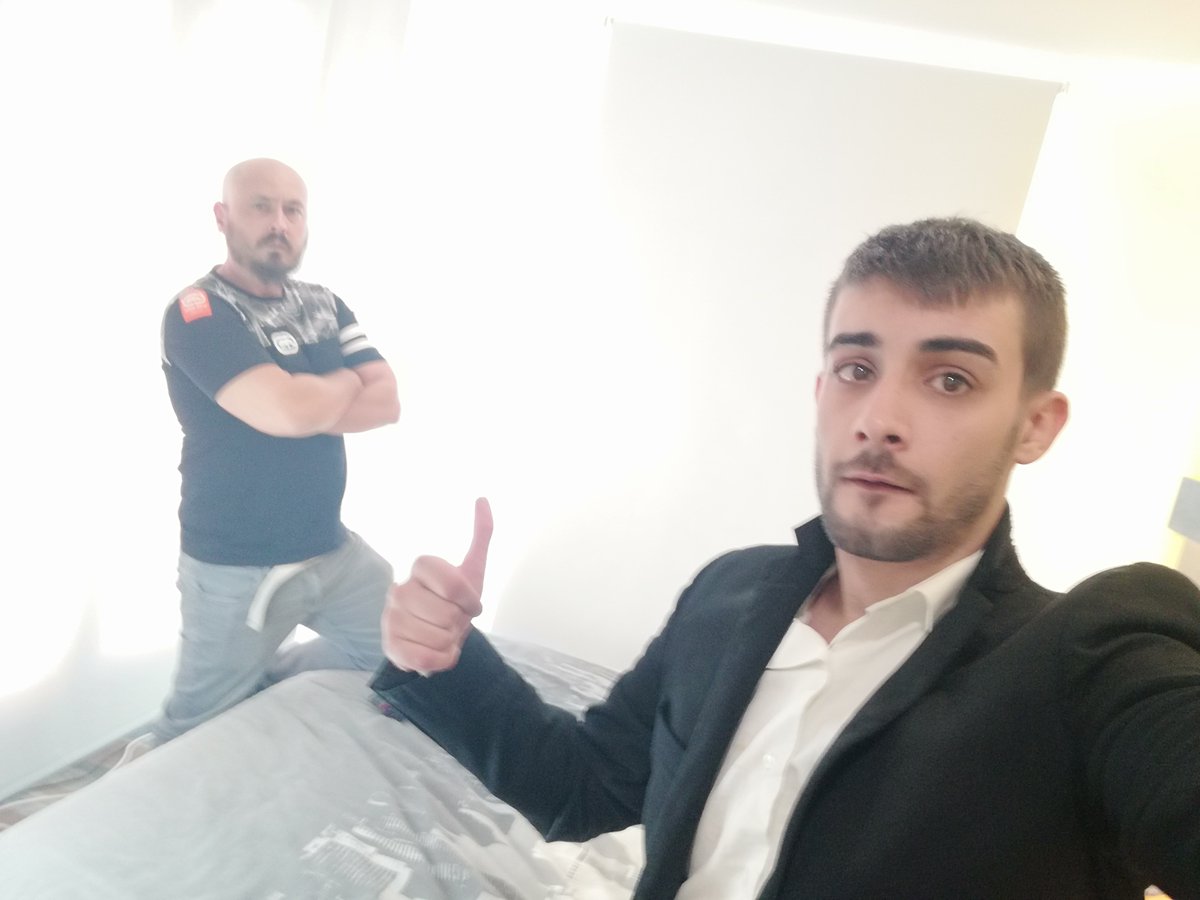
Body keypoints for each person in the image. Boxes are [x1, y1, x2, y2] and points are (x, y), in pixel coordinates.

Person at [371, 217, 1200, 899]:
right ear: (821, 392)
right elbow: (587, 790)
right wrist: (447, 659)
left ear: (1035, 426)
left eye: (950, 379)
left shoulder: (1088, 659)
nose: (878, 418)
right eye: (856, 368)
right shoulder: (730, 591)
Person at [154, 157, 400, 745]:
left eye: (293, 210)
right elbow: (285, 414)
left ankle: (268, 685)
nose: (279, 223)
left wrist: (306, 399)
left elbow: (387, 402)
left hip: (331, 551)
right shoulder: (197, 311)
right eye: (261, 207)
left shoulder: (325, 303)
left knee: (405, 658)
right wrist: (343, 381)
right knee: (195, 733)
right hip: (236, 568)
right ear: (223, 217)